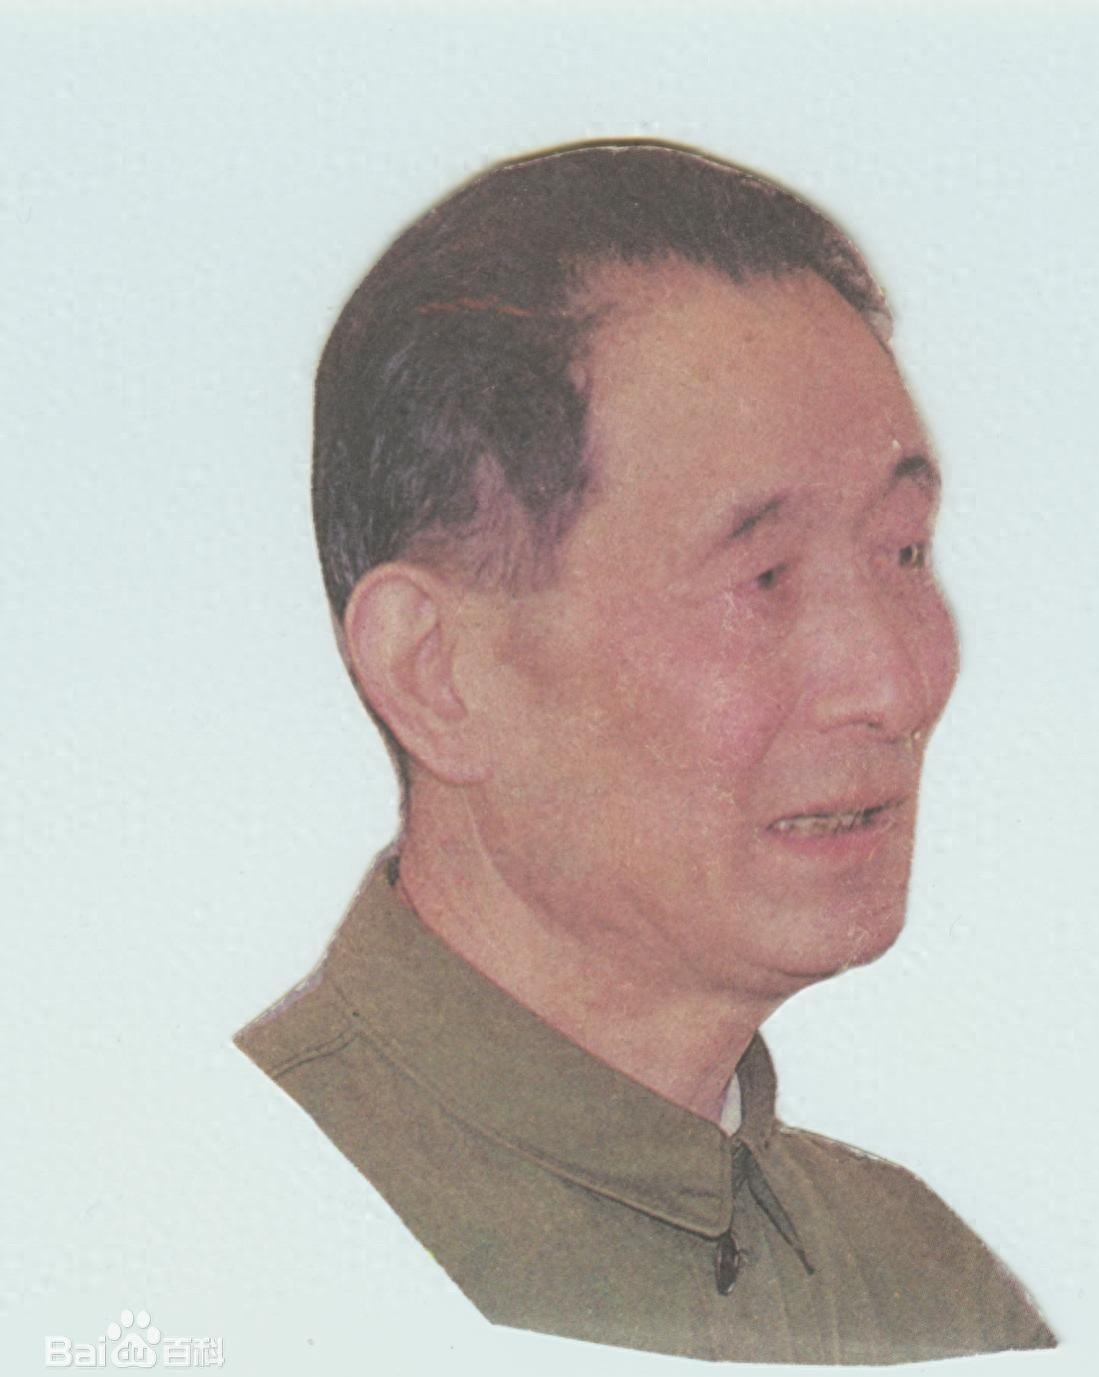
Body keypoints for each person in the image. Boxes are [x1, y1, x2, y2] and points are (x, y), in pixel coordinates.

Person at [234, 141, 1055, 1364]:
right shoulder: (229, 1216)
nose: (893, 684)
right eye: (763, 578)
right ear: (435, 671)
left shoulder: (918, 1284)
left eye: (903, 552)